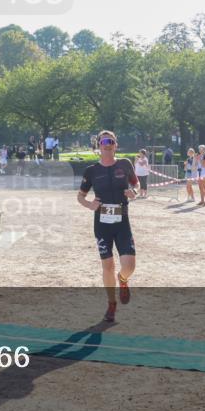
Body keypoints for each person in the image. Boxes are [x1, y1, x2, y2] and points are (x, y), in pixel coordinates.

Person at [77, 130, 139, 323]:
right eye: (103, 141)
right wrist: (89, 205)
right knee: (108, 265)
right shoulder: (91, 171)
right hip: (102, 224)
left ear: (115, 145)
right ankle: (111, 304)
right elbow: (80, 196)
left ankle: (123, 279)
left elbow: (136, 185)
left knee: (129, 266)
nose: (107, 144)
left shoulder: (125, 164)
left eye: (111, 141)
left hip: (122, 222)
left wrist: (133, 192)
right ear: (98, 145)